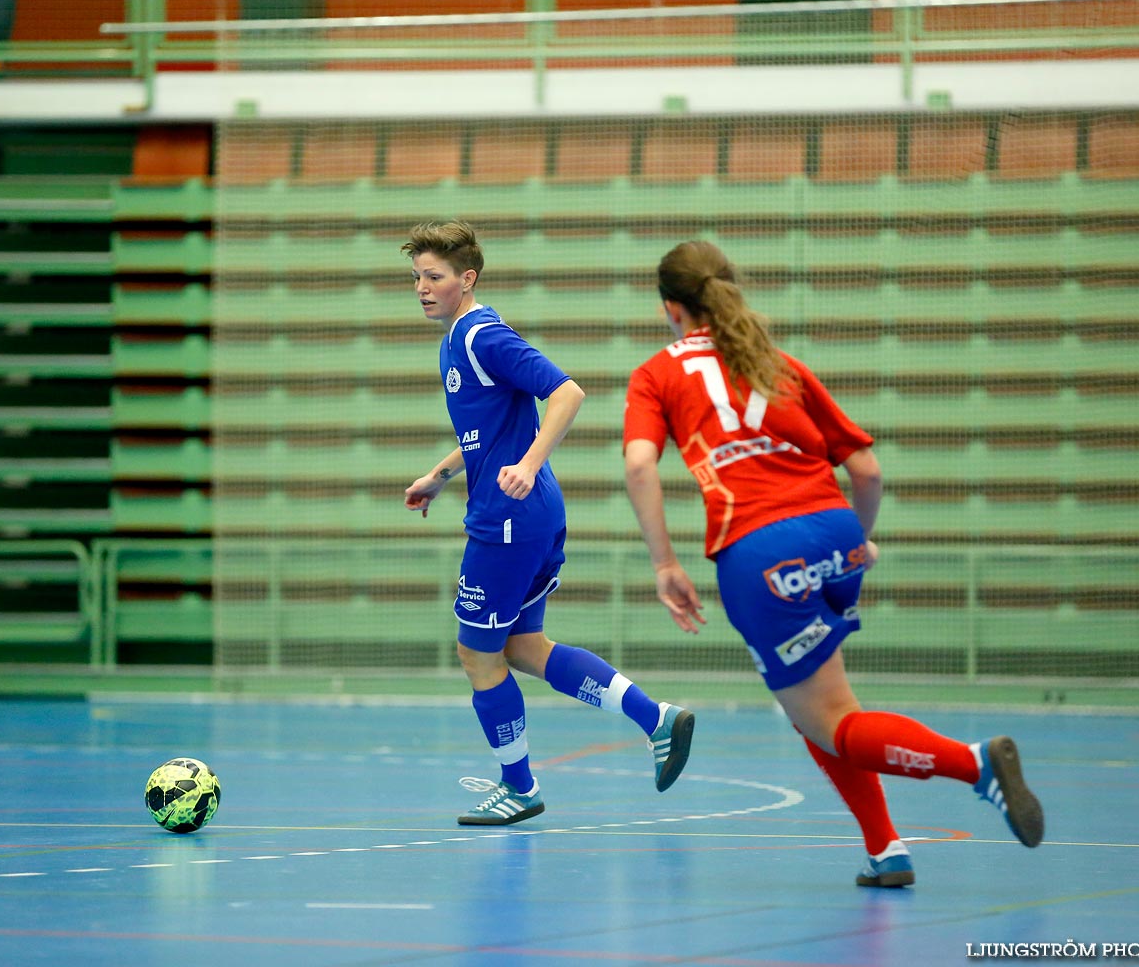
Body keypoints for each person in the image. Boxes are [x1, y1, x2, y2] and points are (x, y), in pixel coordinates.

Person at [621, 240, 1043, 886]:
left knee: (833, 721)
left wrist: (664, 565)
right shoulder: (777, 364)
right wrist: (859, 542)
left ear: (671, 309)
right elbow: (866, 470)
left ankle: (973, 763)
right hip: (835, 531)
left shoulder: (657, 374)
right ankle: (885, 849)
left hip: (758, 549)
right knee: (816, 709)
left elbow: (639, 463)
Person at [401, 220, 695, 826]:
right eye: (417, 278)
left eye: (434, 277)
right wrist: (442, 474)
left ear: (467, 279)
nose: (423, 288)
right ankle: (656, 718)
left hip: (508, 520)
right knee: (525, 648)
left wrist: (529, 466)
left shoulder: (484, 336)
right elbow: (488, 434)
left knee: (477, 653)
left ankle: (519, 786)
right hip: (529, 515)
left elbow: (566, 392)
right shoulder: (457, 339)